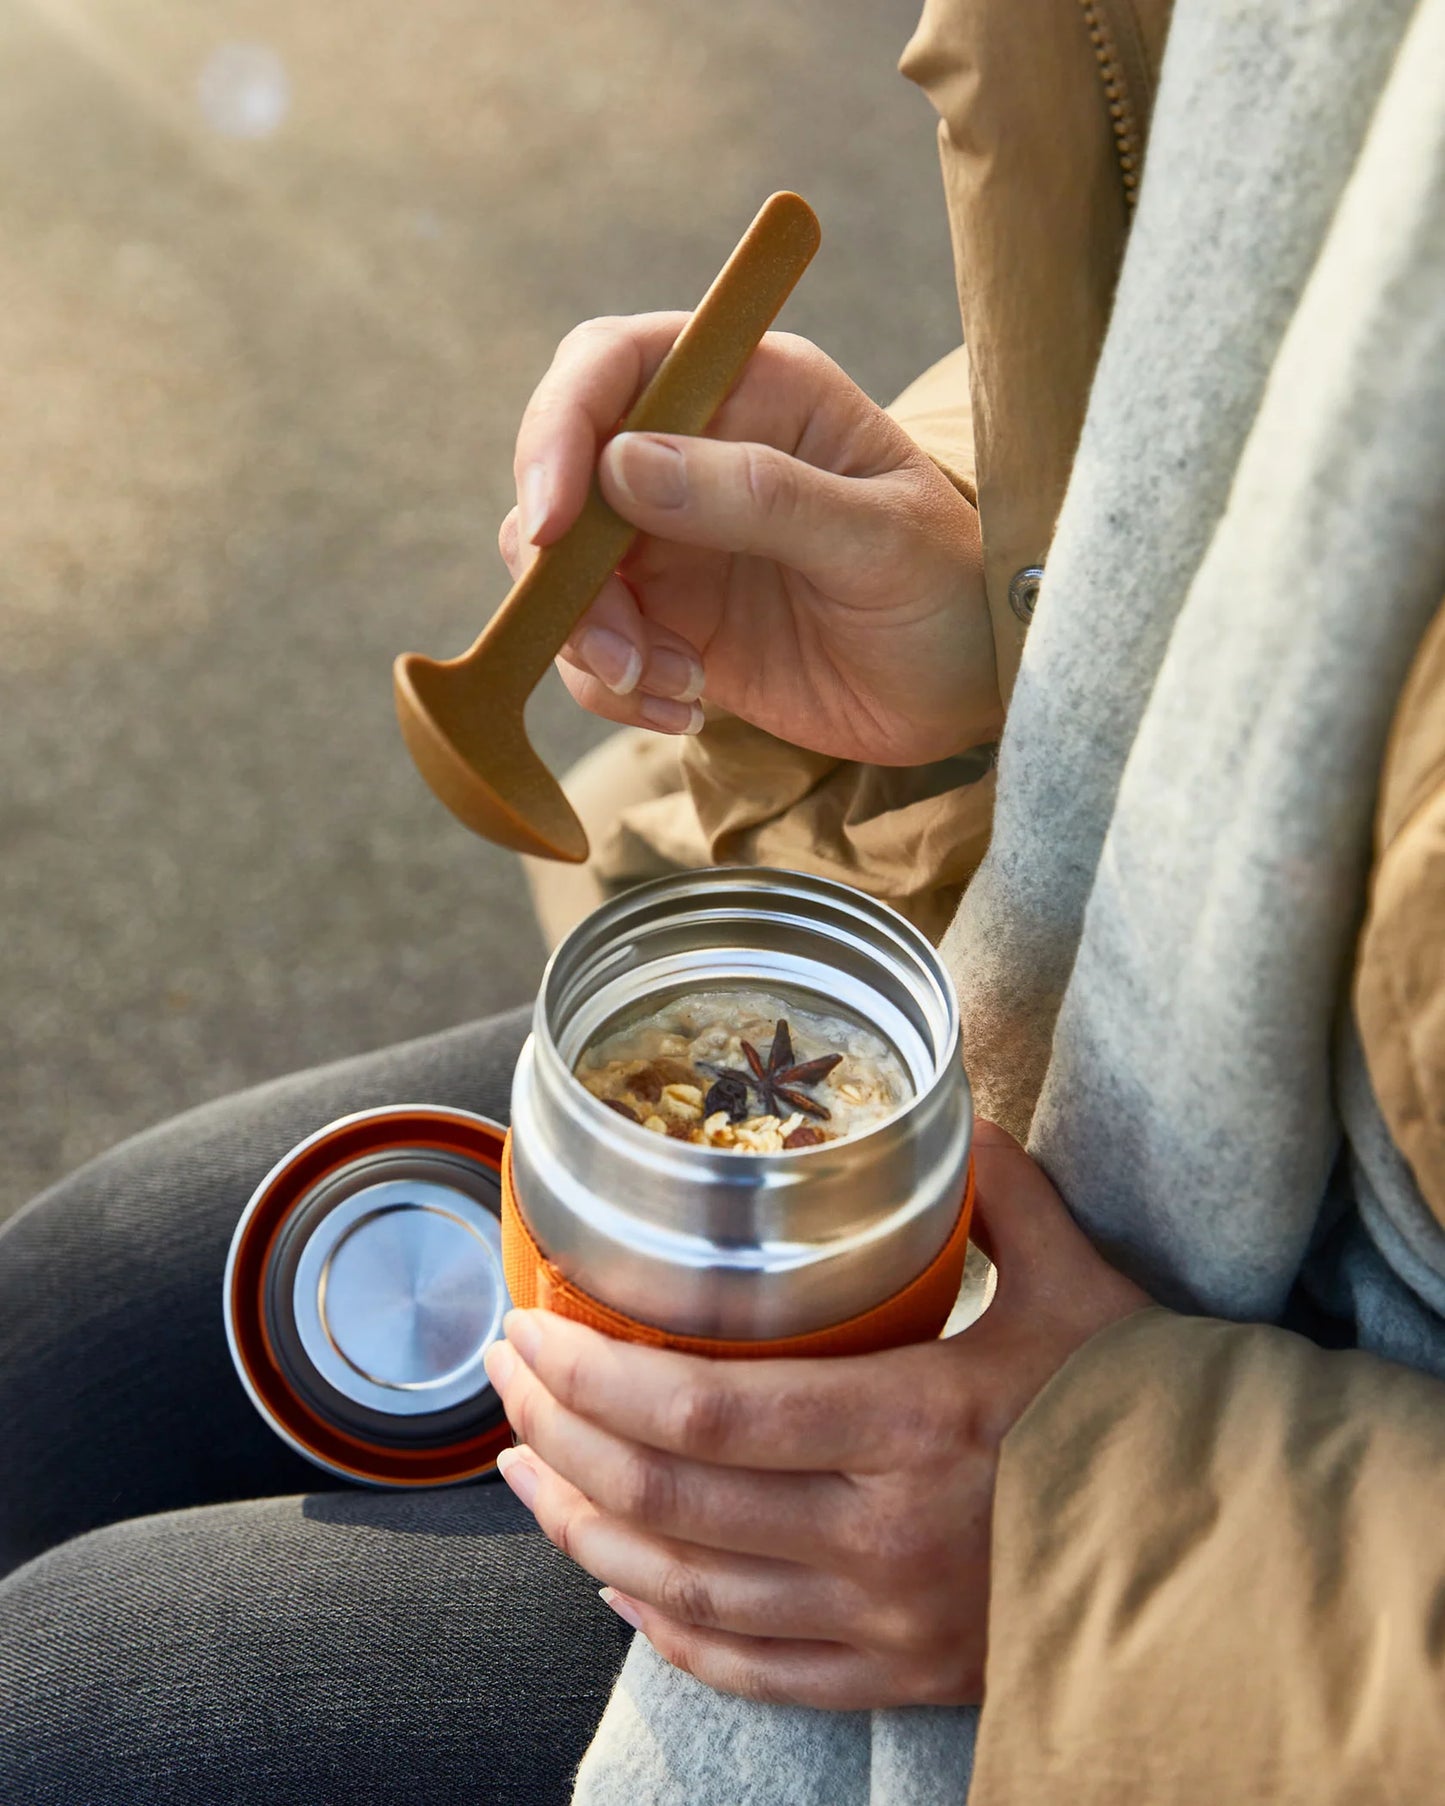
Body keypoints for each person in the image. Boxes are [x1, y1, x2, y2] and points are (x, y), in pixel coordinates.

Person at [4, 3, 1445, 1805]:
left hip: (1262, 1564)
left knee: (63, 1720)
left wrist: (1129, 1537)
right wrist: (999, 608)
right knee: (47, 1355)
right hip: (1070, 1004)